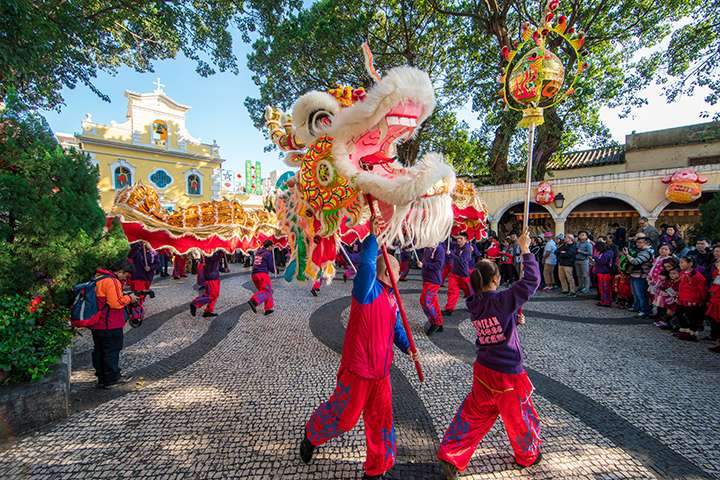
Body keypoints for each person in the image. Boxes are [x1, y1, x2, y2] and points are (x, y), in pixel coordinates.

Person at [300, 229, 418, 480]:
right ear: (387, 272)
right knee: (344, 419)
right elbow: (366, 263)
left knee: (381, 421)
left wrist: (408, 347)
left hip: (381, 374)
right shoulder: (367, 290)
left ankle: (377, 468)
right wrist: (374, 234)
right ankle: (312, 434)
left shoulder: (391, 297)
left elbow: (396, 327)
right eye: (397, 270)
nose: (401, 273)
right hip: (358, 372)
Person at [437, 230, 541, 479]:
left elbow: (495, 317)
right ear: (495, 279)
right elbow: (531, 281)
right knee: (519, 416)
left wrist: (513, 319)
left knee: (473, 414)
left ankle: (451, 452)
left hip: (484, 368)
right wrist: (525, 249)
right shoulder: (502, 300)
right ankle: (527, 454)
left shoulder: (475, 303)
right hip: (507, 373)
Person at [91, 260, 138, 388]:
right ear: (120, 271)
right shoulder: (112, 281)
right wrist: (130, 298)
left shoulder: (98, 277)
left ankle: (102, 378)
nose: (125, 278)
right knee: (111, 350)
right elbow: (115, 303)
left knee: (99, 350)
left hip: (97, 323)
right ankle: (111, 379)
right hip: (110, 323)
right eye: (125, 275)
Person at [675, 256, 708, 341]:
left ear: (690, 263)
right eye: (680, 262)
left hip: (692, 300)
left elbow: (702, 289)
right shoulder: (683, 273)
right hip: (682, 298)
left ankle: (692, 333)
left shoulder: (697, 276)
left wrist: (702, 300)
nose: (680, 264)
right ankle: (684, 331)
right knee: (679, 314)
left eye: (682, 262)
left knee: (692, 317)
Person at [443, 232, 473, 316]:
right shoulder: (456, 245)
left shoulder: (468, 249)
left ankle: (474, 306)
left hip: (464, 275)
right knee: (452, 291)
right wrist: (447, 233)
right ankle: (449, 309)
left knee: (470, 292)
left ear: (466, 240)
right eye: (458, 238)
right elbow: (447, 242)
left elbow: (461, 260)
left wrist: (451, 254)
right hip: (454, 274)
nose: (458, 240)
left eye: (461, 239)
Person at [421, 242, 446, 336]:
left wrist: (424, 265)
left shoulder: (439, 249)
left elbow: (438, 266)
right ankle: (439, 322)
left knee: (425, 301)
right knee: (433, 302)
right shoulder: (427, 247)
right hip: (427, 279)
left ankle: (435, 322)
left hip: (433, 280)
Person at [625, 236, 654, 317]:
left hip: (641, 276)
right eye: (637, 242)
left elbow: (636, 262)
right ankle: (637, 307)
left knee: (641, 294)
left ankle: (644, 311)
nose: (637, 244)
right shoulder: (640, 251)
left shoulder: (646, 252)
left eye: (640, 242)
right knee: (635, 293)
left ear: (647, 243)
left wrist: (627, 255)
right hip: (635, 274)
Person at [190, 251, 223, 318]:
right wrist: (221, 252)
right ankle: (195, 303)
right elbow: (212, 260)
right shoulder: (211, 250)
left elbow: (216, 263)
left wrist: (222, 269)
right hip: (211, 276)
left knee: (213, 295)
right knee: (213, 295)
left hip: (214, 275)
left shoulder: (215, 250)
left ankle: (208, 311)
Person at [248, 240, 276, 315]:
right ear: (269, 246)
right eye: (272, 246)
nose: (273, 248)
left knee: (265, 290)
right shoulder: (268, 254)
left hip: (254, 274)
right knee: (266, 291)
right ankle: (254, 301)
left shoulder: (258, 252)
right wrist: (275, 270)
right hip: (262, 274)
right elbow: (270, 266)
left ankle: (268, 308)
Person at [127, 241, 159, 306]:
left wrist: (150, 268)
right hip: (138, 276)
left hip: (148, 277)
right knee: (139, 293)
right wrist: (138, 244)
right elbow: (130, 255)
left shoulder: (154, 252)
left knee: (144, 293)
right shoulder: (137, 249)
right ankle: (137, 308)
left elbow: (158, 263)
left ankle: (139, 307)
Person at [593, 241, 615, 307]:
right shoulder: (607, 252)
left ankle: (606, 302)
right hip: (602, 271)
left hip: (604, 272)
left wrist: (594, 258)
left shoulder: (607, 253)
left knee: (605, 288)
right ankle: (603, 300)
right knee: (602, 288)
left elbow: (602, 261)